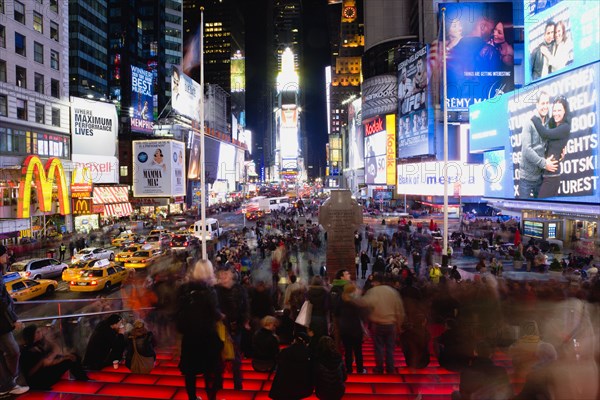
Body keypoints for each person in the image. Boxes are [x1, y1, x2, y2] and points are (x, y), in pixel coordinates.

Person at [176, 259, 223, 400]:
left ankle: (192, 397)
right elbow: (215, 314)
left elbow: (178, 312)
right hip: (207, 336)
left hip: (189, 337)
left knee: (190, 372)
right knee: (210, 371)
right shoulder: (210, 291)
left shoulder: (184, 289)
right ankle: (211, 397)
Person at [19, 324, 88, 389]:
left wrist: (64, 356)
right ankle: (84, 381)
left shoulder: (38, 345)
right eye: (38, 332)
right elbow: (47, 362)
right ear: (32, 335)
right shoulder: (29, 351)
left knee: (73, 356)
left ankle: (83, 379)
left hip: (44, 372)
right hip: (39, 380)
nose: (41, 333)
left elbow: (49, 359)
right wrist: (63, 357)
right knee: (70, 360)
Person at [0, 245, 30, 396]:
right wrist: (13, 319)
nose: (7, 257)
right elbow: (1, 300)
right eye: (5, 254)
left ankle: (7, 384)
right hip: (2, 322)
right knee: (13, 351)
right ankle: (8, 383)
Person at [215, 264, 250, 390]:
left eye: (226, 273)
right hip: (220, 329)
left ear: (231, 275)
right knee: (219, 358)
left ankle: (238, 386)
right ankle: (218, 386)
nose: (224, 276)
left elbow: (245, 307)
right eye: (221, 274)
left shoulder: (239, 289)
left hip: (236, 328)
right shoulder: (215, 290)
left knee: (236, 358)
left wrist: (245, 321)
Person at [518, 91, 559, 199]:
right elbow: (526, 150)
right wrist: (544, 163)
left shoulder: (549, 124)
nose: (545, 106)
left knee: (542, 212)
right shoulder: (529, 123)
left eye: (547, 103)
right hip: (526, 179)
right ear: (537, 105)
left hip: (541, 177)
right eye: (542, 103)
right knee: (526, 212)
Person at [362, 273, 405, 374]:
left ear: (376, 282)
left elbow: (364, 305)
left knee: (379, 347)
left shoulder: (372, 292)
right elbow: (399, 309)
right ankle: (390, 368)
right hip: (391, 324)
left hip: (377, 324)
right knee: (390, 348)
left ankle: (379, 368)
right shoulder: (393, 292)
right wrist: (399, 324)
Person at [533, 96, 571, 198]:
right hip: (545, 174)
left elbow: (545, 133)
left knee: (540, 208)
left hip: (552, 177)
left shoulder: (565, 127)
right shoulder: (554, 125)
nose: (556, 113)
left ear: (564, 111)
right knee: (547, 211)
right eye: (554, 110)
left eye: (559, 110)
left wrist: (533, 119)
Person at [269, 331, 313, 400]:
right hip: (302, 388)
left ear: (294, 340)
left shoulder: (285, 351)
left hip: (283, 387)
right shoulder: (309, 353)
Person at [338, 282, 367, 374]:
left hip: (344, 329)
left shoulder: (341, 300)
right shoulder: (357, 301)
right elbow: (363, 315)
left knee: (347, 350)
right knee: (358, 350)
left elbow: (336, 313)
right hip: (356, 328)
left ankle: (349, 370)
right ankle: (360, 370)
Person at [313, 336, 346, 400]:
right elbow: (344, 377)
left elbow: (314, 377)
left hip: (323, 391)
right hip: (338, 390)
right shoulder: (338, 357)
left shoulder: (317, 358)